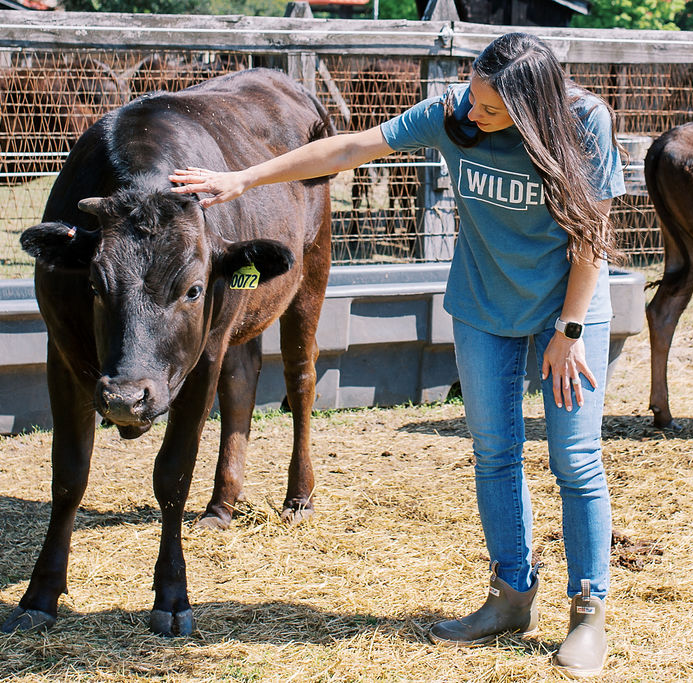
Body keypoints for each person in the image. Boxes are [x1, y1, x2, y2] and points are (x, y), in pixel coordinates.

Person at [169, 32, 625, 679]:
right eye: (472, 92)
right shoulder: (452, 114)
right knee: (495, 451)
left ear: (531, 110)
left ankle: (587, 612)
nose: (472, 111)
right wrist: (241, 177)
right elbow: (352, 147)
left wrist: (570, 329)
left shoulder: (584, 124)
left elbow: (591, 235)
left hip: (569, 312)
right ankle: (510, 593)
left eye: (491, 108)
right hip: (484, 304)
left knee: (574, 459)